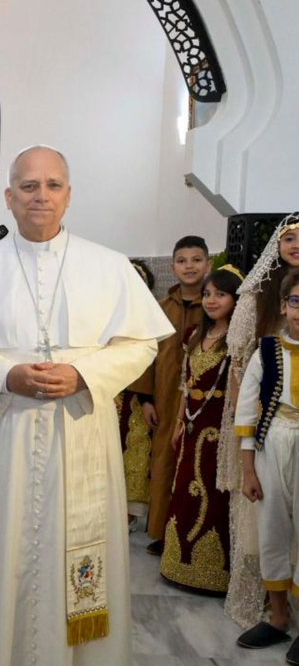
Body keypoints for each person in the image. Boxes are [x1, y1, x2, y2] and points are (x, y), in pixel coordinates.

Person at [0, 145, 172, 666]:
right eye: (28, 186)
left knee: (76, 560)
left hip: (79, 436)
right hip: (2, 434)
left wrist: (85, 375)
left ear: (70, 194)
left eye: (53, 185)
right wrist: (4, 377)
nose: (41, 196)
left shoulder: (108, 265)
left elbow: (142, 344)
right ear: (8, 197)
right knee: (0, 553)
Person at [218, 212, 299, 626]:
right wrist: (244, 428)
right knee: (265, 522)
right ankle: (272, 610)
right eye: (289, 237)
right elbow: (240, 365)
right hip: (268, 423)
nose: (296, 244)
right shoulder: (259, 296)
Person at [160, 265, 243, 593]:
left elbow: (239, 393)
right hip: (192, 425)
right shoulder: (195, 336)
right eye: (208, 294)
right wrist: (179, 422)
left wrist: (238, 433)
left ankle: (214, 573)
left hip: (219, 428)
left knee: (214, 488)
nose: (211, 300)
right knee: (184, 489)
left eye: (221, 294)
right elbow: (185, 383)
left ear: (235, 300)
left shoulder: (236, 341)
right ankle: (177, 563)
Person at [233, 268, 299, 665]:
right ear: (284, 305)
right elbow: (246, 411)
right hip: (272, 442)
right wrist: (248, 469)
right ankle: (277, 616)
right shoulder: (268, 350)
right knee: (272, 528)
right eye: (297, 301)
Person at [134, 235, 210, 555]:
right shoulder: (160, 308)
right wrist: (146, 399)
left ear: (208, 264)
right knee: (164, 460)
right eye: (182, 260)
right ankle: (164, 531)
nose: (189, 266)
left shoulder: (217, 305)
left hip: (203, 400)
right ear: (172, 266)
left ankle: (197, 532)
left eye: (196, 260)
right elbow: (146, 355)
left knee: (198, 464)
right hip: (165, 399)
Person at [116, 259, 155, 528]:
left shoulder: (151, 315)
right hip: (108, 391)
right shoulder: (102, 312)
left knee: (136, 452)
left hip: (138, 394)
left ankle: (129, 515)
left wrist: (147, 397)